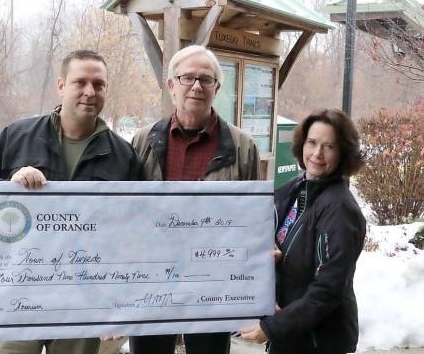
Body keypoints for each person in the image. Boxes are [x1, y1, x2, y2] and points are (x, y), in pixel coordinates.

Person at [0, 49, 143, 354]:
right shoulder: (16, 136)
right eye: (79, 82)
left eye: (98, 84)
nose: (89, 92)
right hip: (17, 297)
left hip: (86, 301)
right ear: (60, 85)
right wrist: (8, 190)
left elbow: (137, 232)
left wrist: (122, 301)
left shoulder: (123, 155)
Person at [129, 45, 261, 354]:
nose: (197, 86)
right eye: (187, 77)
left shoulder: (243, 148)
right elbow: (126, 215)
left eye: (206, 79)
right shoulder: (142, 141)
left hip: (212, 283)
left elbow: (254, 219)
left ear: (217, 87)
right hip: (152, 281)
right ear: (171, 85)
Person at [239, 108, 366, 354]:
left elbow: (328, 289)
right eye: (312, 143)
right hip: (291, 335)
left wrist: (273, 327)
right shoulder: (298, 189)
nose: (317, 153)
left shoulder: (340, 210)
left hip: (317, 341)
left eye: (329, 146)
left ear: (343, 153)